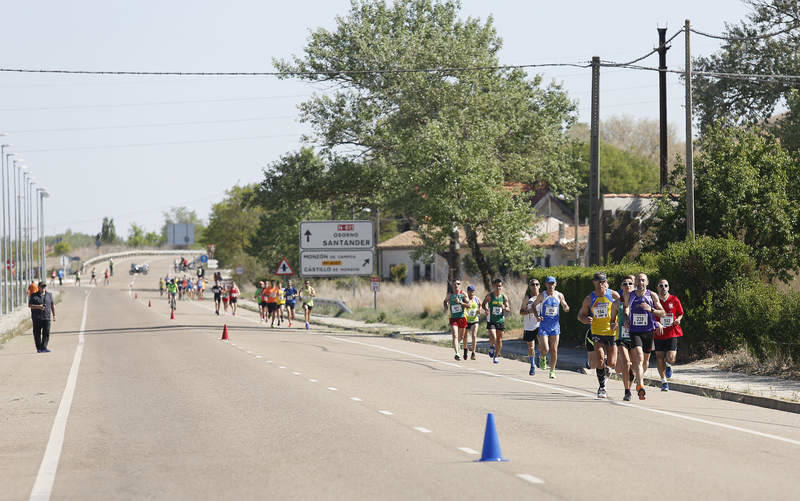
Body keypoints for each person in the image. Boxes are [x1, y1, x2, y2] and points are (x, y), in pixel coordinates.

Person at [578, 272, 620, 398]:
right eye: (599, 281)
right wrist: (584, 319)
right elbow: (580, 315)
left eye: (603, 281)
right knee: (600, 360)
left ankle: (606, 371)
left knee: (612, 363)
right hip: (597, 332)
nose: (601, 284)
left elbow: (622, 311)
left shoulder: (613, 295)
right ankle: (602, 388)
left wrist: (617, 322)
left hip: (611, 332)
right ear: (594, 282)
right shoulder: (589, 299)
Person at [627, 273, 666, 401]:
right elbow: (626, 308)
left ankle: (638, 378)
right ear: (635, 282)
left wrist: (651, 309)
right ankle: (640, 385)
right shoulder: (630, 295)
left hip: (648, 331)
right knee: (638, 357)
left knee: (645, 362)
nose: (640, 282)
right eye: (638, 280)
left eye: (643, 280)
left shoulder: (652, 295)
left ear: (647, 282)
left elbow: (663, 313)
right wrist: (627, 318)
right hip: (634, 331)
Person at [533, 276, 570, 378]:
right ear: (546, 285)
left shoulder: (559, 295)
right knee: (545, 349)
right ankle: (542, 357)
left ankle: (552, 370)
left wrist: (566, 307)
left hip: (555, 327)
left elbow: (564, 304)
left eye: (552, 283)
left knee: (554, 350)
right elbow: (533, 305)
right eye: (549, 283)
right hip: (544, 326)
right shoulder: (542, 295)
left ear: (555, 284)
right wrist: (537, 316)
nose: (551, 286)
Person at [654, 278, 684, 392]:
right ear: (657, 288)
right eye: (661, 286)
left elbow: (680, 313)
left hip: (672, 331)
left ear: (668, 287)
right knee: (659, 357)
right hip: (659, 332)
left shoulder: (674, 299)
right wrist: (657, 323)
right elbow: (650, 314)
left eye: (665, 286)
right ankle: (664, 382)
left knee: (671, 359)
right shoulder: (654, 301)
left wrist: (679, 320)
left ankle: (668, 365)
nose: (663, 288)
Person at [614, 275, 636, 401]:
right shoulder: (617, 303)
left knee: (633, 367)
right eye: (624, 284)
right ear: (621, 287)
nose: (627, 286)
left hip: (636, 336)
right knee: (626, 363)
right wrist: (613, 324)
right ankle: (627, 391)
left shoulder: (639, 300)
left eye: (630, 284)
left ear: (634, 286)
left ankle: (630, 383)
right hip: (622, 336)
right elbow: (612, 320)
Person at [481, 278, 511, 364]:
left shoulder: (504, 297)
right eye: (496, 286)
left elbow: (508, 308)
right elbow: (483, 304)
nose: (498, 288)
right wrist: (486, 309)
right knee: (493, 336)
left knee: (499, 340)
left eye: (500, 286)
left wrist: (504, 307)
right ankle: (491, 346)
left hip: (500, 320)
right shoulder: (490, 296)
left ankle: (496, 356)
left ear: (502, 287)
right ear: (493, 286)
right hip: (491, 319)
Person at [520, 278, 542, 376]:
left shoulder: (542, 297)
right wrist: (530, 311)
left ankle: (539, 357)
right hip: (529, 326)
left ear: (539, 286)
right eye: (533, 284)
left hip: (540, 324)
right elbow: (521, 311)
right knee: (531, 347)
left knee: (542, 344)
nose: (535, 286)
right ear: (530, 286)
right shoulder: (527, 298)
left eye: (537, 284)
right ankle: (532, 364)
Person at [444, 278, 469, 361]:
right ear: (452, 286)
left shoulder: (463, 294)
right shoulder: (450, 295)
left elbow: (469, 305)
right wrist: (446, 307)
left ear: (460, 285)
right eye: (454, 284)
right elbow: (445, 301)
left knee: (461, 336)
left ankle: (457, 345)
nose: (456, 286)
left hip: (462, 317)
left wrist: (461, 303)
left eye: (458, 284)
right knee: (455, 335)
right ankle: (457, 353)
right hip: (453, 318)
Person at [28, 281, 56, 353]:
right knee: (37, 333)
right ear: (38, 287)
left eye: (44, 286)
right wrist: (38, 307)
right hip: (37, 318)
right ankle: (39, 348)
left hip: (46, 317)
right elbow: (30, 305)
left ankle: (44, 347)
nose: (43, 288)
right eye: (42, 287)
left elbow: (52, 305)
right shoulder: (33, 295)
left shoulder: (49, 295)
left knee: (46, 333)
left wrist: (54, 315)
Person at [464, 285, 481, 361]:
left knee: (474, 335)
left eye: (473, 291)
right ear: (467, 291)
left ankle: (473, 352)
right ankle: (465, 349)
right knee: (465, 337)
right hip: (466, 320)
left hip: (475, 320)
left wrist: (479, 310)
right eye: (470, 291)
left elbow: (481, 305)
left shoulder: (476, 299)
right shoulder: (465, 299)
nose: (472, 293)